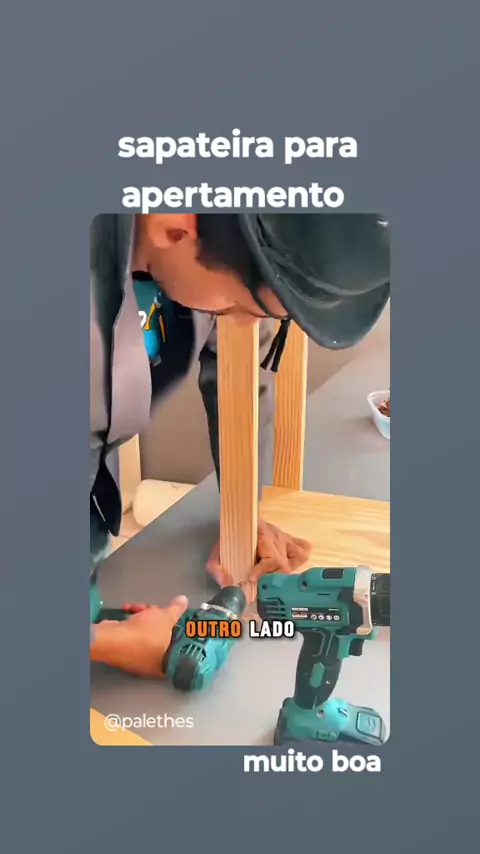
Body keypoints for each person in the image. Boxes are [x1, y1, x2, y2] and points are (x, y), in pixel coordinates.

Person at [90, 212, 390, 677]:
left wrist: (244, 510)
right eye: (239, 306)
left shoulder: (212, 243)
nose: (249, 326)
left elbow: (239, 378)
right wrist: (103, 644)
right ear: (174, 226)